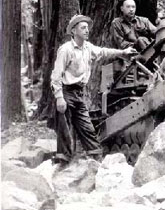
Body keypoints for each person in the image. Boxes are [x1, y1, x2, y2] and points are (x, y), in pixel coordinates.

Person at [51, 14, 136, 163]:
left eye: (87, 28)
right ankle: (63, 162)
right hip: (66, 92)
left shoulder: (88, 48)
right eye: (83, 28)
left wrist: (123, 53)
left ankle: (95, 157)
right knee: (64, 128)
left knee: (87, 127)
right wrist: (59, 97)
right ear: (74, 31)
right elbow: (56, 75)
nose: (87, 30)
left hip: (79, 93)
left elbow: (104, 52)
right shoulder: (66, 50)